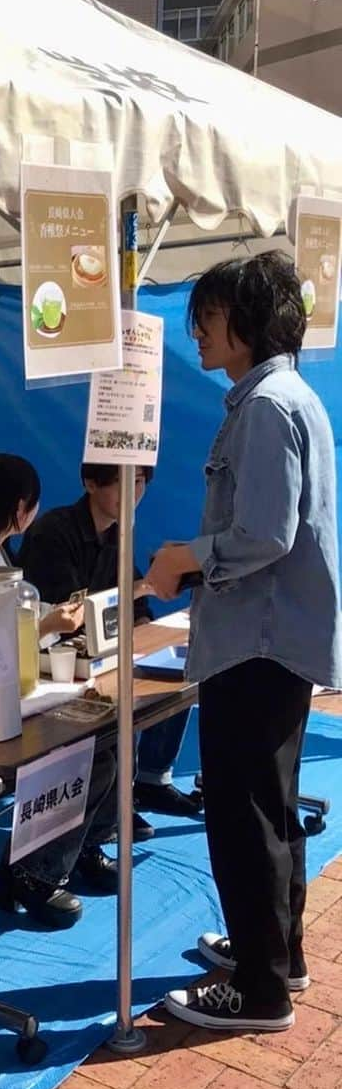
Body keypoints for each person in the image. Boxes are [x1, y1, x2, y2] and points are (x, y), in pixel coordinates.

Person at [147, 251, 341, 1033]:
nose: (196, 332)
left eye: (208, 318)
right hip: (277, 638)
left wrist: (184, 559)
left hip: (257, 643)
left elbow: (263, 531)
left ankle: (258, 989)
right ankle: (276, 952)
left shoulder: (265, 407)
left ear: (245, 322)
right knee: (272, 804)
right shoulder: (287, 396)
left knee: (243, 812)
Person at [0, 453, 119, 928]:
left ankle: (70, 851)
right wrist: (47, 626)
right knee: (87, 749)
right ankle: (34, 871)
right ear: (21, 507)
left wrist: (46, 622)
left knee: (103, 738)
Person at [18, 462, 201, 837]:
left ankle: (150, 779)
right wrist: (133, 601)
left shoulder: (119, 532)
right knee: (116, 708)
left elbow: (136, 605)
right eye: (123, 483)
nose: (133, 493)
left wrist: (145, 623)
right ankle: (109, 808)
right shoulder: (53, 533)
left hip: (103, 652)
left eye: (140, 482)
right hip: (58, 662)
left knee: (178, 668)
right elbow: (64, 617)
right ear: (89, 482)